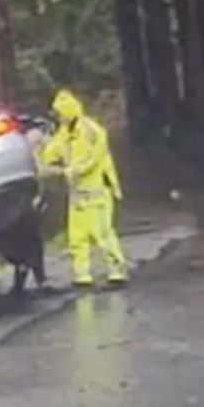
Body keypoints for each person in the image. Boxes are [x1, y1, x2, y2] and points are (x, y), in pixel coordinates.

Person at [36, 89, 128, 289]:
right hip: (77, 195)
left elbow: (94, 159)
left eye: (60, 113)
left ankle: (117, 271)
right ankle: (82, 276)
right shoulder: (63, 134)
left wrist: (72, 171)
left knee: (103, 234)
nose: (59, 117)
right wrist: (46, 163)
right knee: (77, 238)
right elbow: (49, 156)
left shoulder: (93, 131)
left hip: (98, 192)